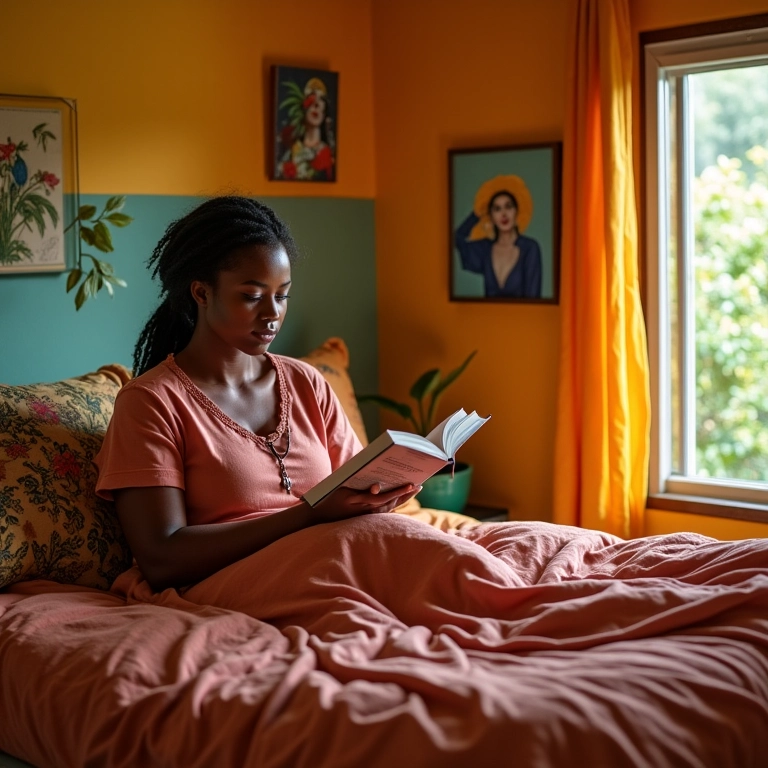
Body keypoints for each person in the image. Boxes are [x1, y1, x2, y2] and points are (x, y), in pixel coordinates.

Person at [94, 196, 418, 591]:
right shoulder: (151, 403)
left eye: (282, 296)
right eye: (251, 296)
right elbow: (162, 558)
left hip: (340, 560)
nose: (272, 314)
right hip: (248, 585)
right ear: (201, 293)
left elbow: (352, 495)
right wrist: (310, 514)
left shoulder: (308, 383)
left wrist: (381, 495)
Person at [454, 175, 542, 298]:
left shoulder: (530, 248)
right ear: (491, 217)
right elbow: (456, 238)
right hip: (486, 316)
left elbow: (534, 299)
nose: (504, 214)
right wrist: (476, 214)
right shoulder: (485, 249)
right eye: (497, 209)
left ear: (516, 212)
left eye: (508, 207)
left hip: (522, 317)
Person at [276, 76, 335, 181]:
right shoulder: (293, 149)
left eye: (320, 100)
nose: (316, 105)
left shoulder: (328, 153)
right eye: (312, 99)